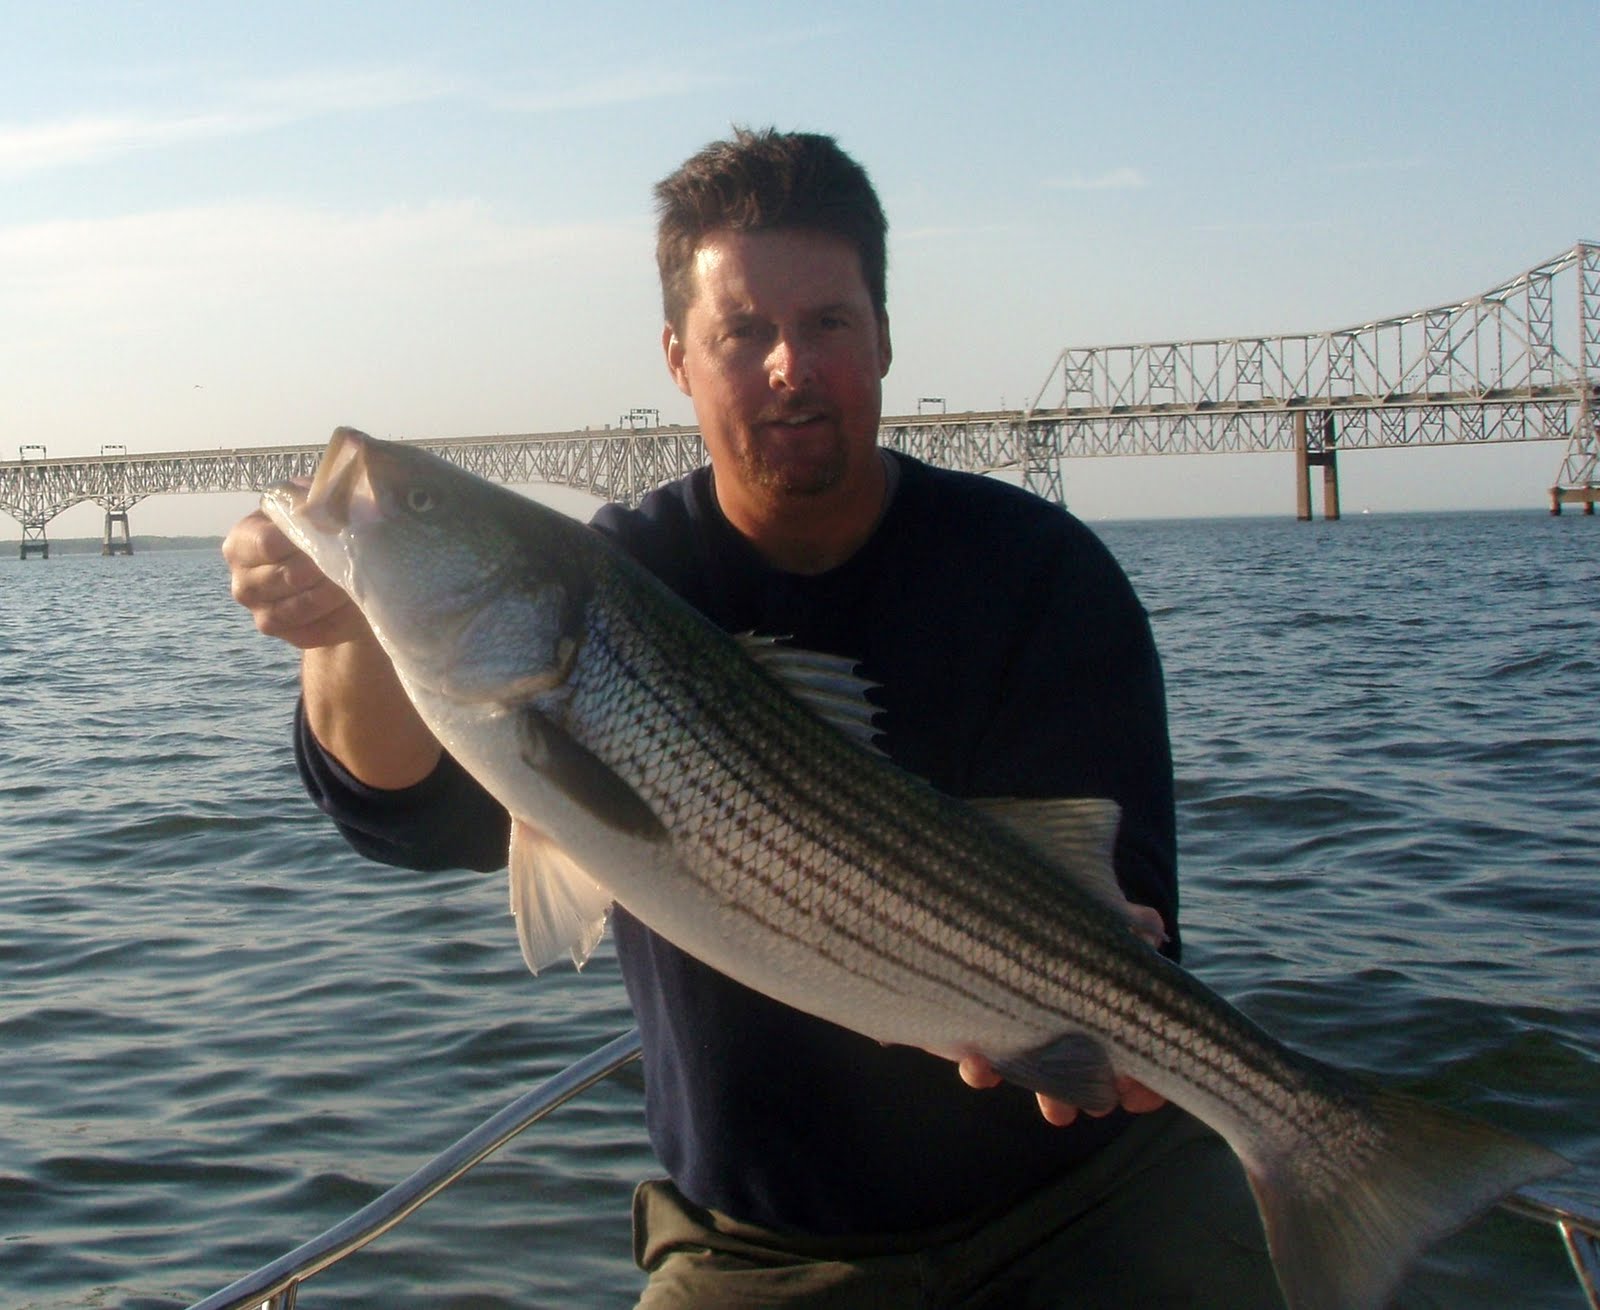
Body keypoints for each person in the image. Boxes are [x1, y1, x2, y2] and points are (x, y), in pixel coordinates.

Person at [224, 128, 1282, 1308]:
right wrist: (346, 627)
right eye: (743, 333)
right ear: (678, 358)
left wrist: (1109, 977)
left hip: (1094, 1192)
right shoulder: (612, 575)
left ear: (883, 336)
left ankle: (1326, 1159)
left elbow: (1107, 872)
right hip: (762, 1246)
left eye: (827, 322)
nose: (790, 364)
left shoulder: (1041, 570)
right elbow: (402, 817)